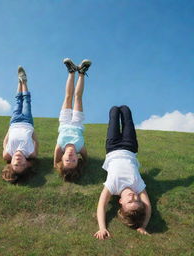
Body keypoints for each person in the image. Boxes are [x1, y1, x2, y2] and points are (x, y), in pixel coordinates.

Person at [94, 105, 151, 239]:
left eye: (130, 202)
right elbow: (148, 208)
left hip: (112, 147)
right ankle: (124, 109)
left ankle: (115, 110)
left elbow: (101, 205)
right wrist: (143, 226)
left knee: (114, 113)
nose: (133, 197)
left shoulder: (113, 186)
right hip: (130, 147)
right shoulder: (138, 186)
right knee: (126, 112)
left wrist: (102, 227)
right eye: (137, 200)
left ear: (120, 201)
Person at [53, 58, 91, 181]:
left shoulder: (60, 146)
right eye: (74, 160)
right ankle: (81, 72)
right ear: (77, 158)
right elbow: (86, 157)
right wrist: (85, 162)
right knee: (78, 97)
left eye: (67, 160)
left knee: (68, 97)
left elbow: (55, 157)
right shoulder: (80, 147)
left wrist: (55, 164)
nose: (70, 156)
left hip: (64, 121)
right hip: (77, 122)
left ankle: (71, 71)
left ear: (62, 158)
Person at [2, 66, 38, 183]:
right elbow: (36, 142)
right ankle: (24, 81)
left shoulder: (7, 154)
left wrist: (9, 130)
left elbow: (5, 142)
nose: (18, 160)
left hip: (14, 122)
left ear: (10, 162)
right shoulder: (31, 152)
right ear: (26, 163)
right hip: (27, 122)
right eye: (21, 164)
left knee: (18, 101)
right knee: (26, 100)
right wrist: (32, 130)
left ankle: (19, 81)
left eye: (15, 164)